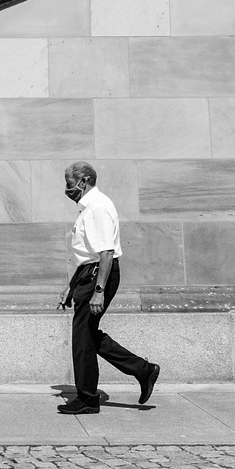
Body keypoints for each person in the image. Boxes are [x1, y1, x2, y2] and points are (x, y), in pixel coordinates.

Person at [56, 161, 160, 415]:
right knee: (88, 335)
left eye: (70, 184)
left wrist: (98, 291)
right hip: (88, 273)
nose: (67, 189)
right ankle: (142, 370)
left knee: (82, 337)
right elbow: (86, 253)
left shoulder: (99, 207)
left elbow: (105, 252)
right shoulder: (88, 207)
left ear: (84, 181)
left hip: (97, 275)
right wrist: (70, 286)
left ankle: (88, 398)